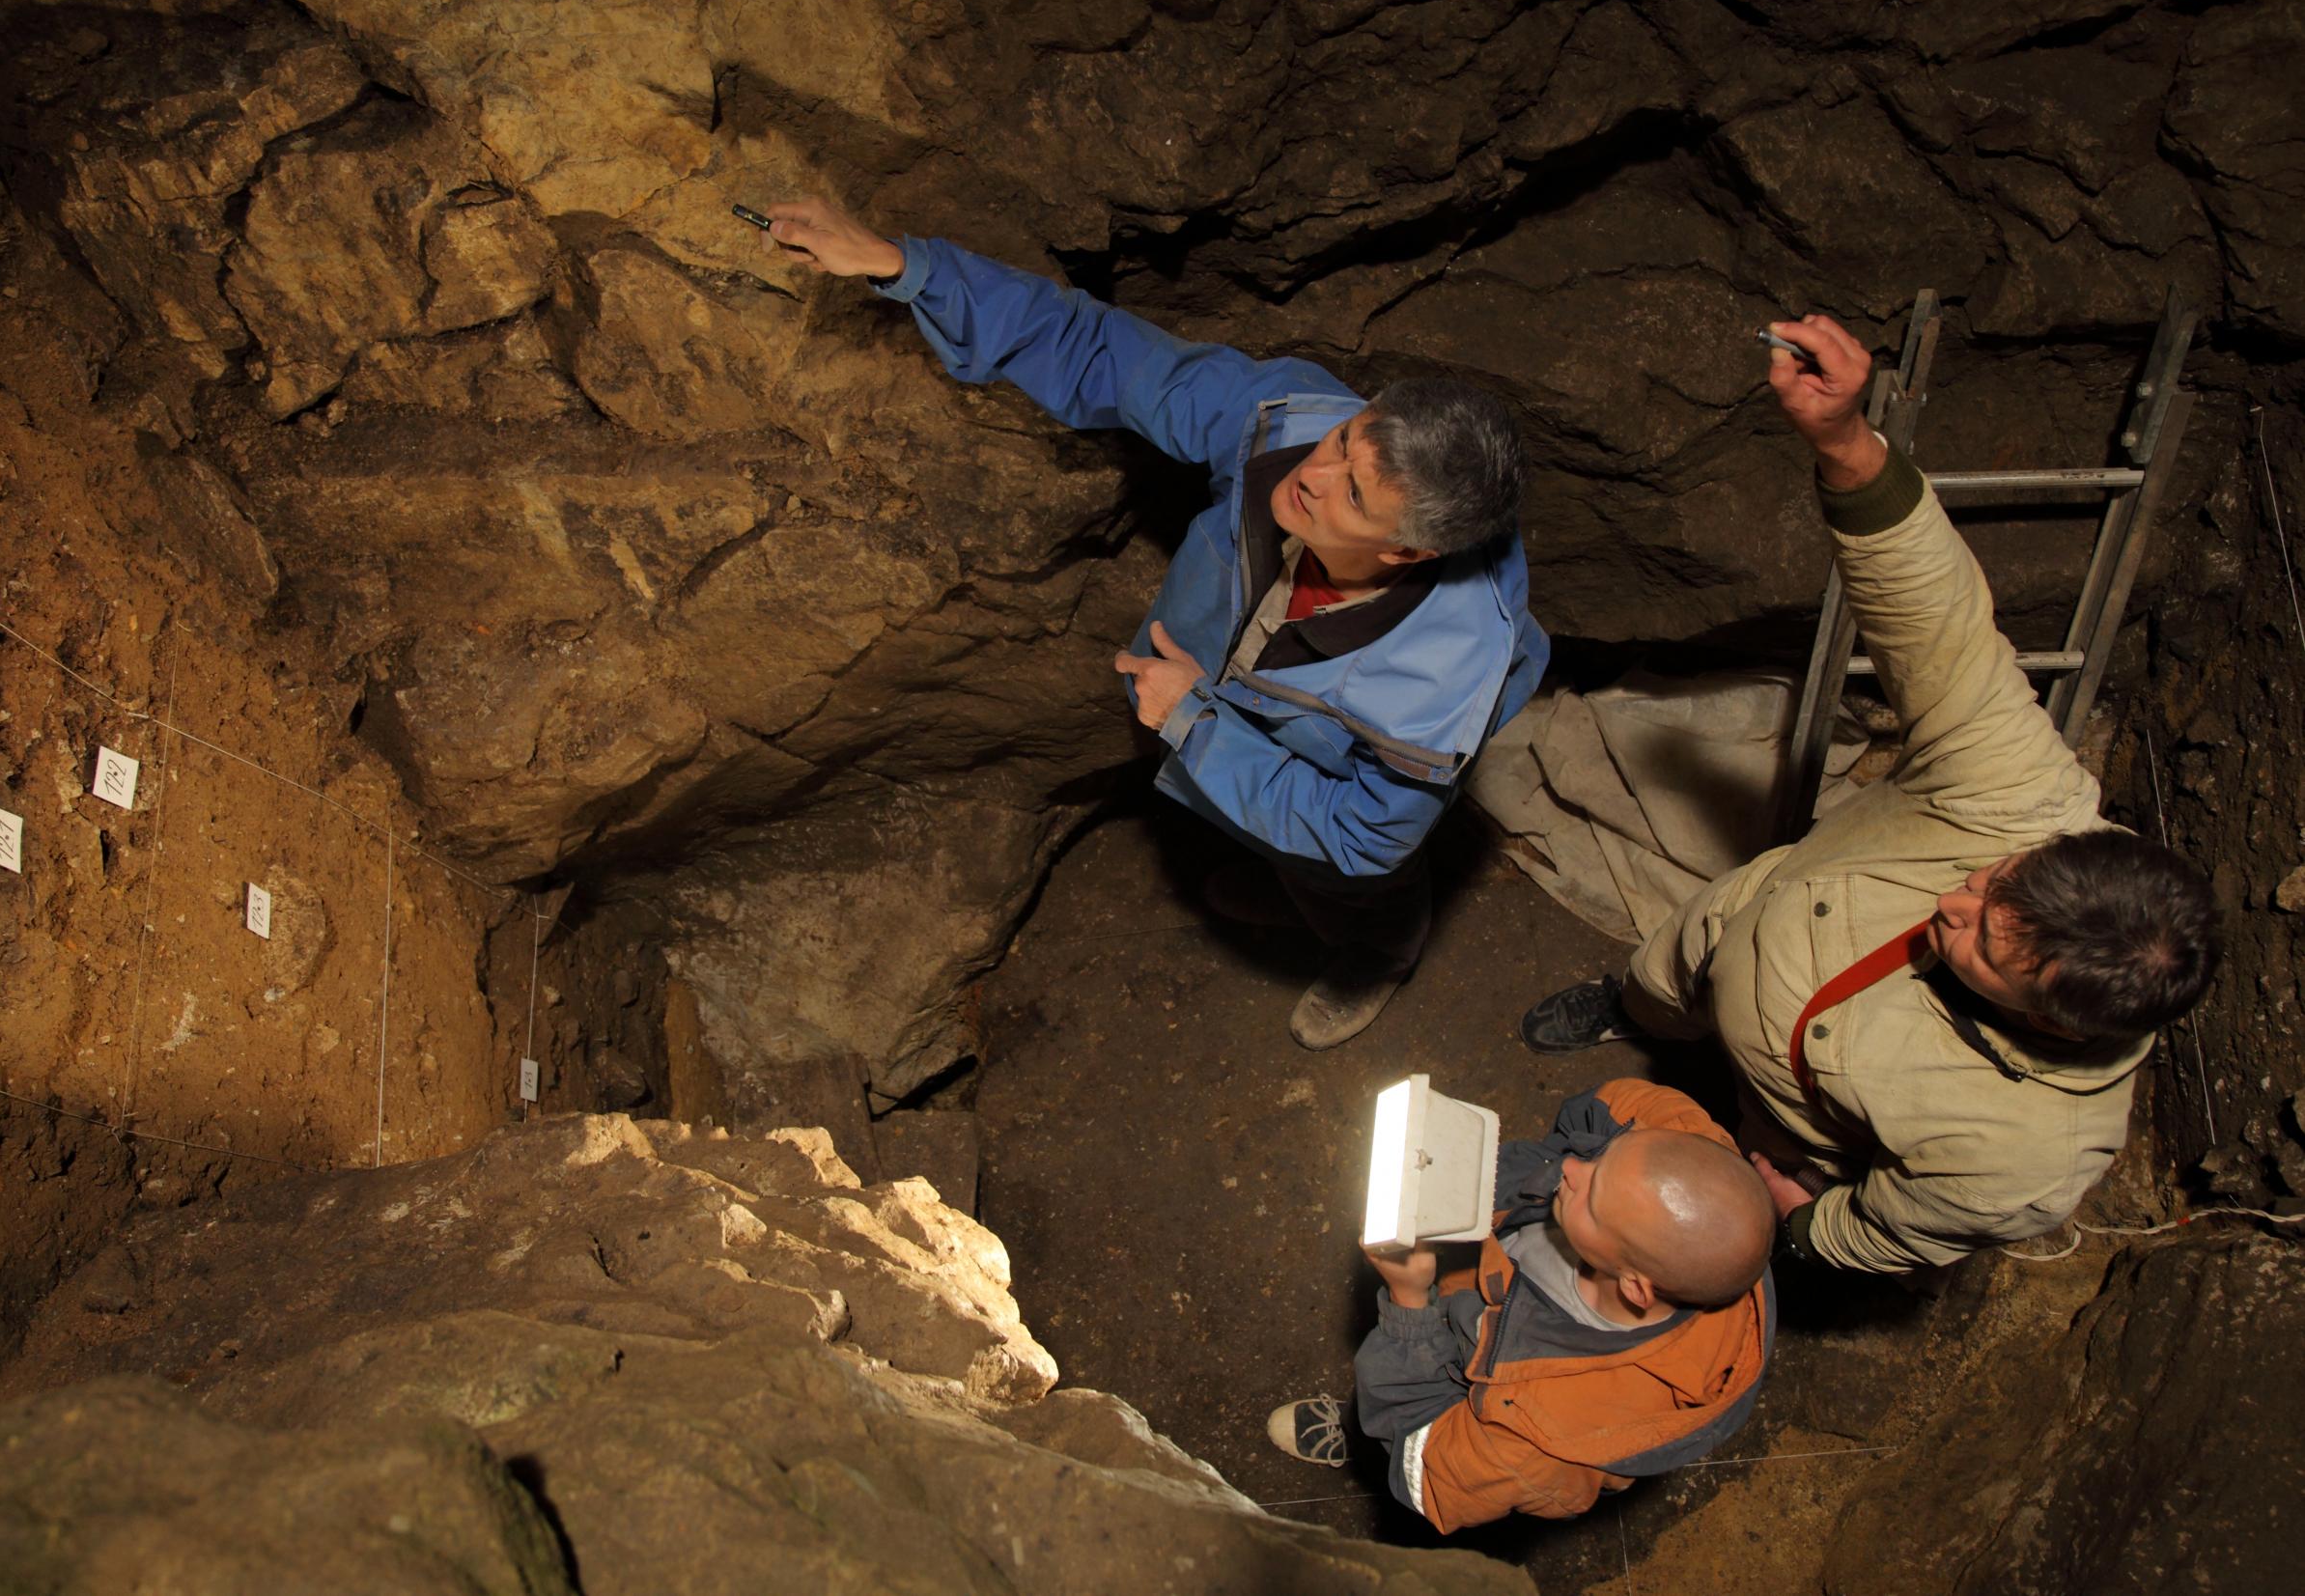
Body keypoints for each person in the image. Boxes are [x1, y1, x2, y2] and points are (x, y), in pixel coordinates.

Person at [1519, 316, 2223, 1276]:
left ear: (2050, 1021)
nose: (1951, 903)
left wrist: (1796, 1227)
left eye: (1981, 941)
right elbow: (1937, 625)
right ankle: (1634, 1010)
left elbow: (1893, 1229)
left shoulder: (2022, 1157)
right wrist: (1847, 444)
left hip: (1786, 1121)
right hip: (1733, 926)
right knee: (1662, 971)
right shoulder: (2023, 796)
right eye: (1994, 880)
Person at [763, 200, 1548, 1048]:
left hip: (1332, 766)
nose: (1312, 474)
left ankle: (1373, 948)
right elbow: (1102, 349)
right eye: (1346, 441)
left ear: (1407, 554)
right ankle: (1285, 873)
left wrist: (1193, 720)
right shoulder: (1287, 423)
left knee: (1349, 875)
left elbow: (1361, 834)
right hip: (1234, 689)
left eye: (1352, 494)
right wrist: (903, 265)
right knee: (1262, 814)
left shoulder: (1434, 691)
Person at [1268, 1078, 1774, 1528]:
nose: (1572, 1167)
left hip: (1460, 1397)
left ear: (1636, 1286)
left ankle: (1361, 1437)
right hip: (1483, 1281)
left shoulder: (1543, 1444)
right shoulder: (1684, 1147)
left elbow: (1428, 1476)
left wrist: (1409, 1301)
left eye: (1594, 1202)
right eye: (1603, 1161)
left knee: (1394, 1429)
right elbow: (1602, 1108)